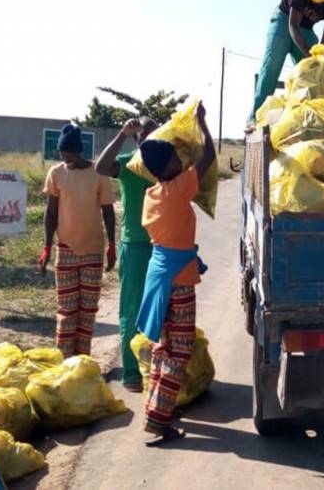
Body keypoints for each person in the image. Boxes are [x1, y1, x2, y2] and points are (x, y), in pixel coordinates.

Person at [135, 101, 215, 446]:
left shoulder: (153, 193)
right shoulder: (176, 189)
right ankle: (158, 419)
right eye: (173, 159)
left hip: (159, 278)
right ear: (164, 169)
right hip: (178, 282)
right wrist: (202, 124)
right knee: (180, 350)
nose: (179, 161)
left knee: (163, 346)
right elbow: (208, 157)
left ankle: (154, 406)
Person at [38, 124, 117, 358]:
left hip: (93, 250)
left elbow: (108, 212)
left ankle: (82, 363)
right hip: (66, 250)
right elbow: (50, 213)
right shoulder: (56, 173)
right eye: (62, 154)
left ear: (79, 151)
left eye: (69, 154)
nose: (65, 158)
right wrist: (46, 247)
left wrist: (111, 246)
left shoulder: (98, 174)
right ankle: (64, 363)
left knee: (87, 311)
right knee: (66, 311)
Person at [95, 116, 159, 392]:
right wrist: (122, 133)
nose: (149, 137)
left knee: (159, 310)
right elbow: (101, 167)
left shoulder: (164, 162)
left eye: (155, 132)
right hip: (134, 246)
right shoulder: (129, 162)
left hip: (162, 245)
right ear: (137, 136)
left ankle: (155, 369)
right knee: (131, 308)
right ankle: (132, 372)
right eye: (144, 132)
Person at [249, 0, 324, 124]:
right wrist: (309, 54)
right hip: (284, 22)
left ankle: (311, 121)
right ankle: (255, 118)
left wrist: (319, 61)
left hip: (306, 30)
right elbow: (292, 26)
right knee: (272, 66)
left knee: (314, 74)